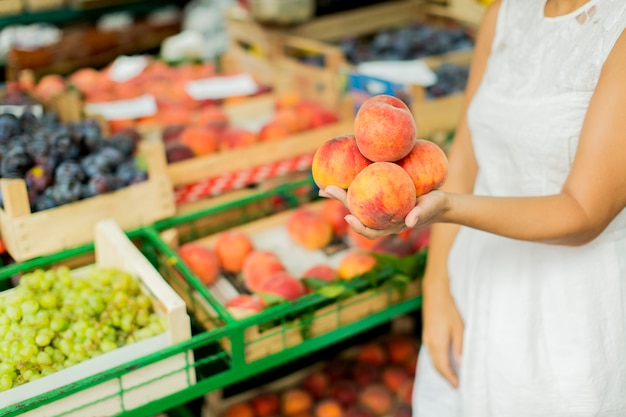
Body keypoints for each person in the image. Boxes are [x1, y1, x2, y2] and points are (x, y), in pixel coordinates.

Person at [320, 0, 626, 415]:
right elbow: (463, 160)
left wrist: (444, 208)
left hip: (569, 307)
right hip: (476, 278)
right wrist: (437, 286)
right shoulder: (505, 12)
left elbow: (584, 214)